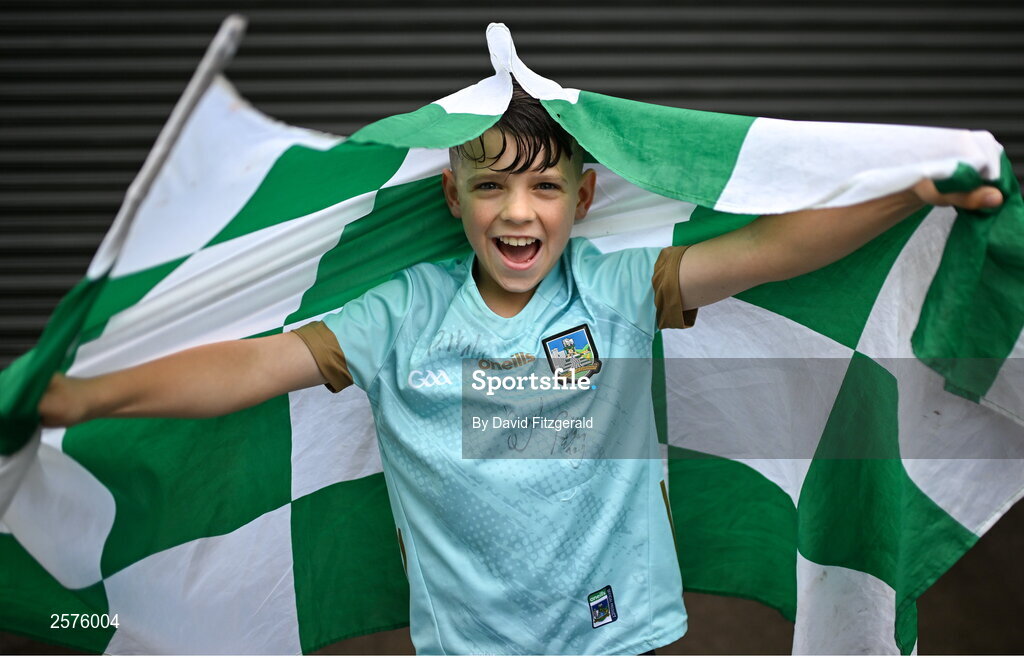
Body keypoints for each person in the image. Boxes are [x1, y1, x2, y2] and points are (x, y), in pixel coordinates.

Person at [37, 81, 1003, 655]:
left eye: (544, 186)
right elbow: (247, 371)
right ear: (451, 196)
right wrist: (87, 395)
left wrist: (904, 191)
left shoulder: (616, 291)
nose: (517, 212)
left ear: (584, 196)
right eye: (490, 184)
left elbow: (775, 251)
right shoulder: (401, 314)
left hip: (618, 630)